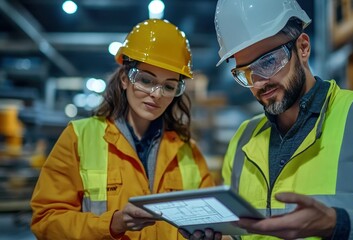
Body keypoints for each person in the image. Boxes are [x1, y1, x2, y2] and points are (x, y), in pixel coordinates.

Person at [190, 0, 353, 239]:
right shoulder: (242, 140)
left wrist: (338, 225)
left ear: (303, 48)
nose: (260, 81)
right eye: (246, 73)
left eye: (269, 62)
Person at [30, 19, 215, 239]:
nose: (156, 94)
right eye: (146, 80)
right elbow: (46, 222)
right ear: (125, 78)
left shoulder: (188, 152)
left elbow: (211, 220)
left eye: (168, 86)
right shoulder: (79, 137)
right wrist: (113, 223)